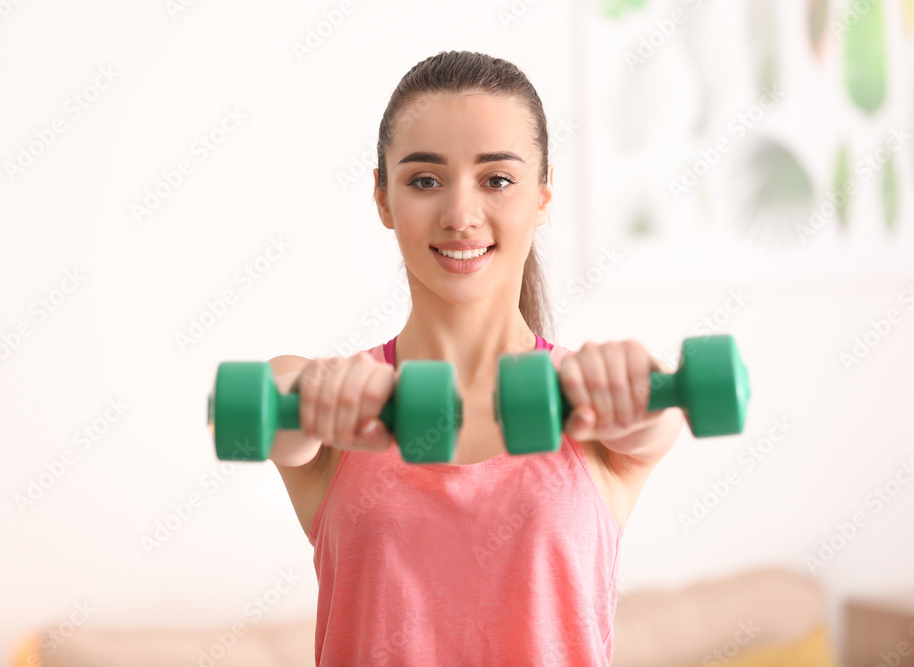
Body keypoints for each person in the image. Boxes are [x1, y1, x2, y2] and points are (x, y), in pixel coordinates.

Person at [270, 50, 685, 666]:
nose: (461, 215)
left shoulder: (598, 407)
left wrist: (628, 392)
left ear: (542, 195)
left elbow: (656, 420)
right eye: (425, 180)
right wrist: (315, 405)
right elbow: (273, 418)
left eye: (496, 179)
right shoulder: (322, 399)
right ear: (382, 198)